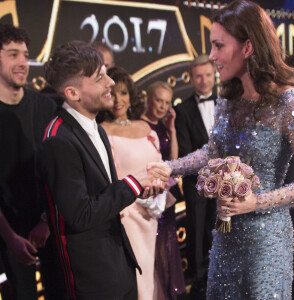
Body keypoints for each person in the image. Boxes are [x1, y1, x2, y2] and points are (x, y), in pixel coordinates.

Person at [153, 0, 294, 298]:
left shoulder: (289, 102)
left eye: (219, 45)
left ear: (247, 47)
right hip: (225, 234)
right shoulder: (228, 98)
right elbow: (212, 151)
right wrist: (170, 167)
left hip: (267, 241)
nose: (211, 56)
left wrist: (255, 203)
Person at [37, 41, 170, 299]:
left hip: (119, 263)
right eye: (100, 78)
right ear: (73, 93)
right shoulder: (57, 141)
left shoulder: (95, 127)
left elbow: (103, 193)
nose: (111, 82)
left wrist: (138, 191)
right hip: (91, 279)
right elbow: (80, 215)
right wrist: (133, 183)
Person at [0, 23, 64, 299]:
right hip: (7, 235)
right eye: (13, 54)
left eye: (25, 55)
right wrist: (9, 237)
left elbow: (59, 171)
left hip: (51, 226)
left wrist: (46, 221)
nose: (23, 63)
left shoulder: (46, 106)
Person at [101, 67, 173, 300]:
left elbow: (161, 166)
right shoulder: (103, 131)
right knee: (137, 272)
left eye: (122, 92)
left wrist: (157, 196)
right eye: (111, 93)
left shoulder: (145, 128)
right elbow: (109, 177)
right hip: (127, 214)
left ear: (131, 95)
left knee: (151, 271)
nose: (118, 100)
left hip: (152, 211)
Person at [174, 54, 217, 298]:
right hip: (196, 182)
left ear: (214, 75)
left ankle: (219, 272)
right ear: (191, 78)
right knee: (197, 230)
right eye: (199, 76)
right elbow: (185, 149)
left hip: (227, 180)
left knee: (220, 227)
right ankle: (199, 280)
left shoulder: (228, 103)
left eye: (208, 75)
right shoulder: (182, 109)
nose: (204, 81)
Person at [141, 81, 186, 299]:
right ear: (148, 98)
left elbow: (173, 161)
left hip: (164, 198)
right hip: (147, 198)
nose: (162, 106)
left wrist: (172, 130)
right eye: (159, 100)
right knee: (151, 247)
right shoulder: (138, 126)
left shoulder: (163, 127)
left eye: (167, 102)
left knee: (167, 245)